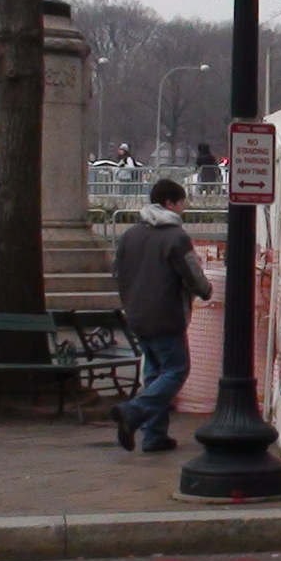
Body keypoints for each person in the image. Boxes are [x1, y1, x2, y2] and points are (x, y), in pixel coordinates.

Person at [111, 177, 212, 454]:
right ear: (170, 203)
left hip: (137, 314)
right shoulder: (175, 237)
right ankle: (133, 412)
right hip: (167, 314)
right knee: (176, 370)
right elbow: (192, 274)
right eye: (181, 203)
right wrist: (205, 290)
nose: (183, 209)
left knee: (154, 372)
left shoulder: (131, 234)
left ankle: (154, 437)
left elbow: (118, 272)